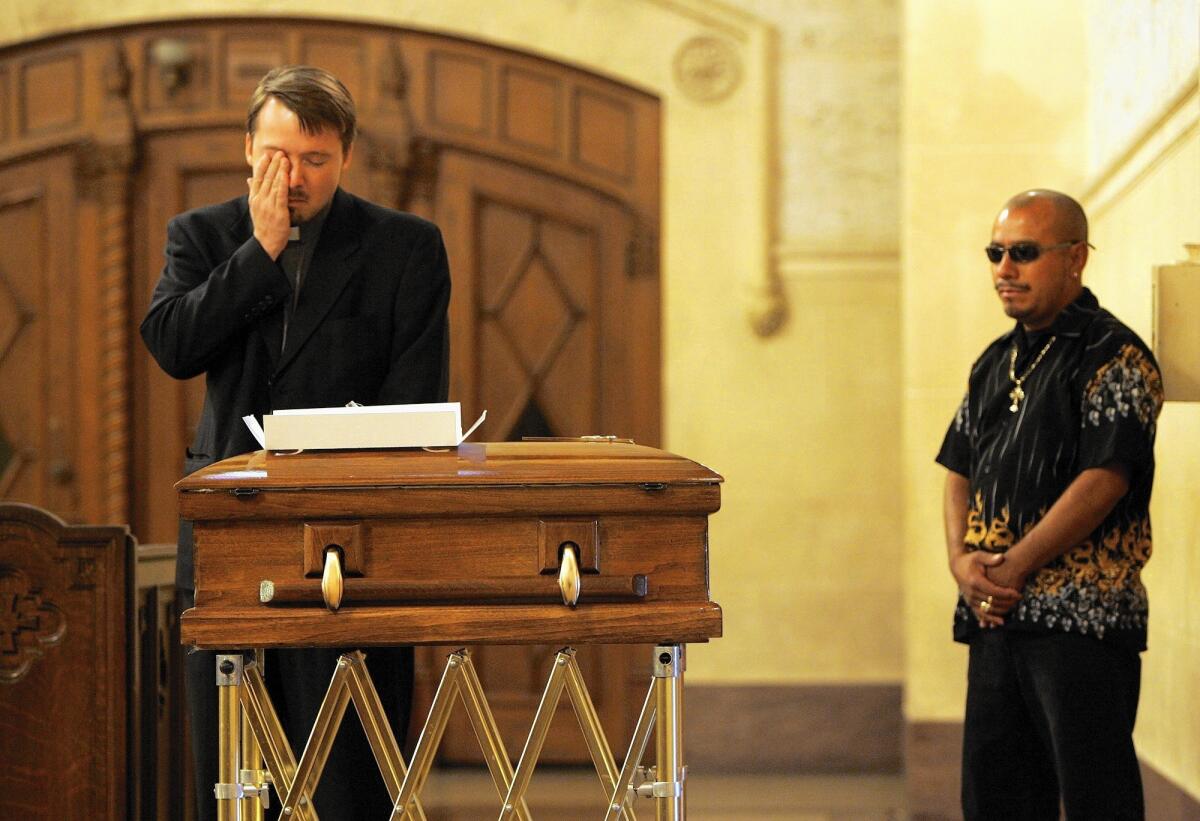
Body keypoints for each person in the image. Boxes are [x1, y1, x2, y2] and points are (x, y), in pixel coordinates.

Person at [141, 65, 450, 820]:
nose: (295, 176)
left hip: (354, 538)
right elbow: (173, 345)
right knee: (235, 770)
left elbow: (413, 403)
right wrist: (262, 252)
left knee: (349, 770)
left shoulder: (405, 246)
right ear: (248, 149)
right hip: (229, 536)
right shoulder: (202, 235)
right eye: (278, 156)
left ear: (345, 156)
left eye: (315, 159)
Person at [936, 189, 1163, 820]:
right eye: (996, 252)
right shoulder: (994, 361)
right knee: (996, 798)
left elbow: (1105, 479)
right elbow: (958, 467)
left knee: (1097, 798)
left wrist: (1014, 565)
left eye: (1024, 253)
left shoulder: (1113, 354)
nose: (1005, 269)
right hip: (995, 617)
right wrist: (961, 562)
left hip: (1081, 620)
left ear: (1076, 258)